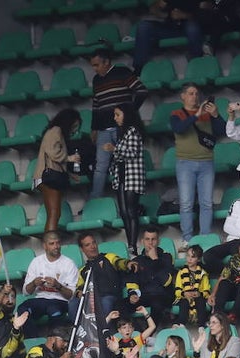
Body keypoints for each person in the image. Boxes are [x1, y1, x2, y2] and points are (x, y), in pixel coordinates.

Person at [89, 48, 149, 200]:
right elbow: (96, 105)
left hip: (122, 128)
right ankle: (95, 202)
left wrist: (130, 113)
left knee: (127, 164)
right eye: (93, 65)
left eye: (97, 65)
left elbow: (142, 90)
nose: (94, 69)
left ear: (106, 62)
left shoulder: (122, 72)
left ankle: (131, 200)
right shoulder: (96, 80)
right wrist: (94, 128)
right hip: (104, 129)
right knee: (100, 168)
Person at [170, 83, 224, 247]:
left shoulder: (207, 114)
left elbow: (221, 131)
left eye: (196, 93)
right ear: (183, 96)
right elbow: (178, 128)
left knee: (206, 203)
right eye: (191, 93)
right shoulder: (177, 113)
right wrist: (195, 115)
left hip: (206, 162)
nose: (195, 96)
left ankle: (204, 238)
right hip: (185, 162)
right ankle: (187, 239)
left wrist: (215, 115)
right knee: (186, 203)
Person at [34, 111, 83, 234]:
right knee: (54, 214)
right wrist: (69, 158)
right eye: (74, 125)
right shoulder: (56, 130)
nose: (74, 130)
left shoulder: (55, 131)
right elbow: (53, 152)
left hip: (46, 177)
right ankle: (50, 244)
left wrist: (71, 175)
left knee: (55, 213)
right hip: (47, 177)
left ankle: (50, 242)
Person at [108, 104, 147, 255]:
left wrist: (114, 149)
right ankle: (130, 243)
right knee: (124, 212)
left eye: (118, 114)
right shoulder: (122, 133)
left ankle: (132, 245)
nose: (115, 118)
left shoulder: (133, 131)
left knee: (131, 211)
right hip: (122, 177)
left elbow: (132, 152)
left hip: (132, 177)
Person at [21, 230, 80, 326]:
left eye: (58, 243)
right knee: (22, 310)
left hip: (60, 301)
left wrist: (58, 286)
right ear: (45, 246)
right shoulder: (36, 262)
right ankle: (32, 339)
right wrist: (34, 283)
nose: (56, 246)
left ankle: (54, 339)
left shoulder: (68, 263)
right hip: (40, 299)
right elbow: (25, 292)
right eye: (52, 244)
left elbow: (72, 296)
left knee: (54, 310)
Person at [133, 0, 204, 73]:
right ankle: (139, 69)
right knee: (143, 26)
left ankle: (197, 63)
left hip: (189, 27)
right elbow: (155, 11)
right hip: (170, 27)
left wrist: (184, 15)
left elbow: (207, 12)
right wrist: (157, 6)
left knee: (192, 28)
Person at [71, 234, 128, 323]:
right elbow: (79, 288)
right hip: (92, 300)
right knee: (73, 303)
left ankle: (103, 331)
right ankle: (78, 331)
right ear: (82, 249)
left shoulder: (108, 257)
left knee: (105, 301)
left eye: (93, 243)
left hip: (110, 296)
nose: (92, 247)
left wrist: (127, 264)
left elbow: (119, 262)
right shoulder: (83, 270)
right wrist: (79, 293)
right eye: (87, 245)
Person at [174, 245, 211, 326]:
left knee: (201, 302)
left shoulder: (203, 273)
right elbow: (177, 290)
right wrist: (184, 294)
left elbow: (206, 290)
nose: (189, 259)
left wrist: (199, 294)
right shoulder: (181, 272)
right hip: (184, 297)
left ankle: (201, 325)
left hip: (198, 297)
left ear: (198, 259)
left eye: (193, 257)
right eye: (188, 256)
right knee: (184, 303)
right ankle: (181, 324)